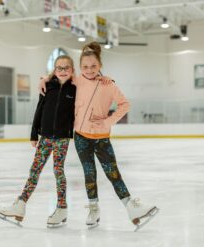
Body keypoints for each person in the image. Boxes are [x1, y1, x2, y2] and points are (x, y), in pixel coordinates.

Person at [40, 42, 158, 231]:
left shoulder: (108, 84)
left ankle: (131, 208)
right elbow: (59, 75)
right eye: (85, 67)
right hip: (81, 137)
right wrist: (44, 78)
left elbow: (125, 105)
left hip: (101, 138)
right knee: (89, 174)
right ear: (80, 67)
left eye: (93, 66)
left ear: (100, 66)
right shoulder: (76, 81)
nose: (89, 70)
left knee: (113, 173)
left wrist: (107, 122)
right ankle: (93, 209)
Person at [0, 55, 77, 228]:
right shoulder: (47, 86)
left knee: (58, 170)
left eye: (66, 68)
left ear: (72, 70)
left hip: (62, 138)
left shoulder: (76, 89)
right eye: (59, 68)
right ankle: (20, 205)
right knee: (35, 170)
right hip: (45, 137)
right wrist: (34, 133)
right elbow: (39, 110)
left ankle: (62, 207)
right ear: (54, 70)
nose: (63, 71)